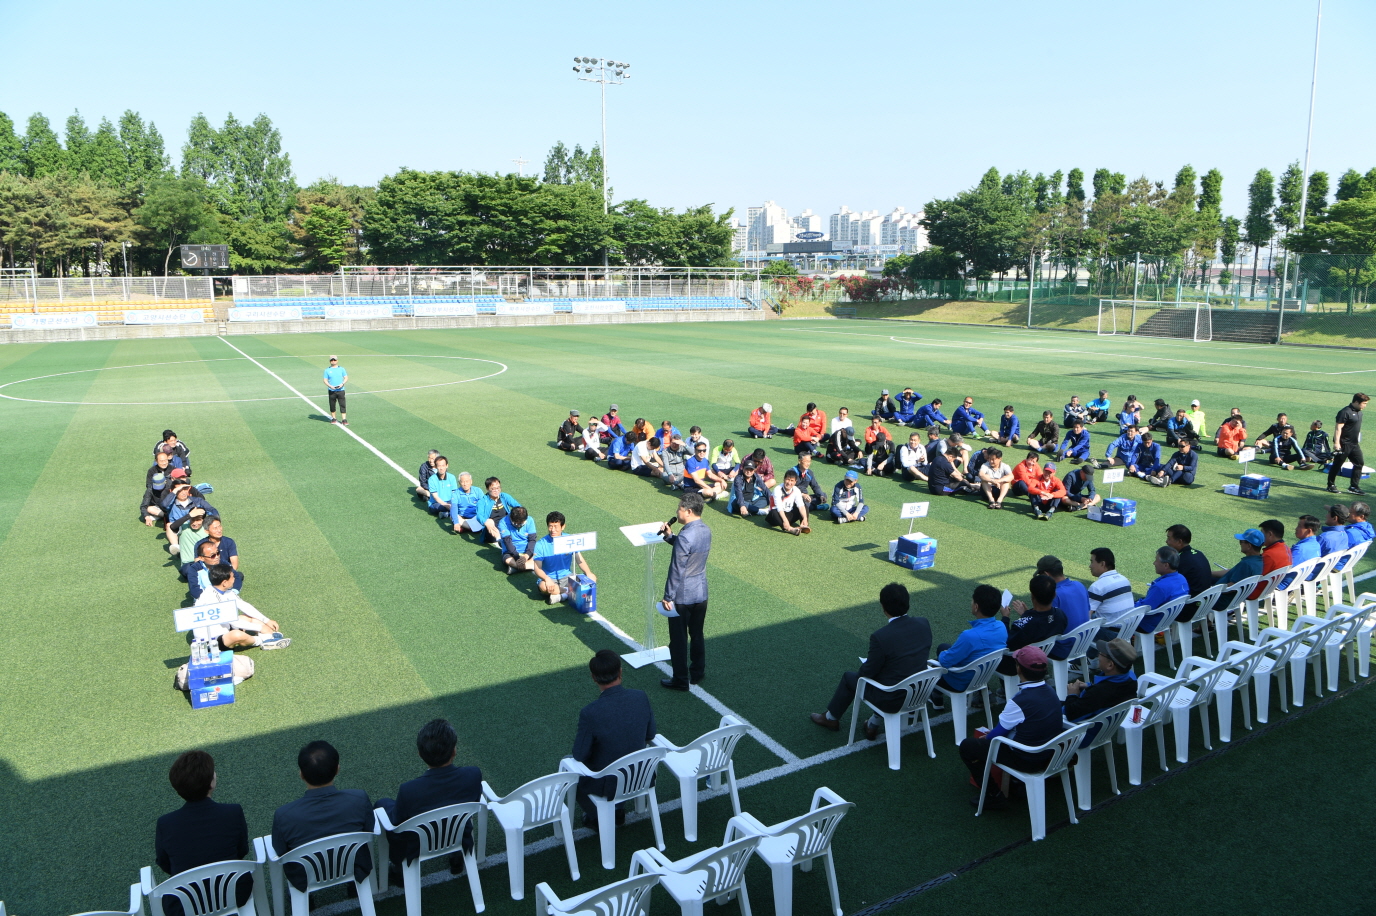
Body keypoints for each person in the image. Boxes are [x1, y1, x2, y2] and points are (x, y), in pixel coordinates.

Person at [810, 583, 932, 738]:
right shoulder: (923, 623)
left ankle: (830, 718)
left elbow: (867, 673)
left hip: (892, 698)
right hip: (920, 692)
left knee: (850, 678)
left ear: (883, 607)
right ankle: (873, 723)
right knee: (893, 673)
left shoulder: (881, 637)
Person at [958, 646, 1060, 810]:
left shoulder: (1019, 701)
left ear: (1019, 669)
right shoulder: (1050, 691)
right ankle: (1015, 782)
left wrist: (988, 738)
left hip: (1027, 759)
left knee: (968, 747)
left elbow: (998, 733)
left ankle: (993, 795)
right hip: (1051, 755)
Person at [376, 720, 481, 880]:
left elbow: (396, 822)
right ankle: (457, 855)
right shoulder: (473, 775)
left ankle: (399, 869)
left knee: (382, 805)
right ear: (454, 751)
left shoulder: (409, 790)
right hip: (458, 835)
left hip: (417, 845)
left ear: (420, 754)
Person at [155, 751, 251, 916]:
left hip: (183, 906)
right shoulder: (233, 812)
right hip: (234, 893)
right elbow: (241, 850)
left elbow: (164, 863)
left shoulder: (166, 823)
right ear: (211, 783)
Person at [568, 650, 656, 828]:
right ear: (620, 672)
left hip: (609, 786)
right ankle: (618, 810)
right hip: (641, 775)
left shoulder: (590, 712)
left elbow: (579, 755)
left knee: (568, 767)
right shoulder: (640, 696)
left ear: (594, 678)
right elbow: (650, 735)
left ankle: (598, 816)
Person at [270, 741, 373, 891]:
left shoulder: (284, 815)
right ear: (337, 769)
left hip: (304, 877)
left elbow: (280, 850)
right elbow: (368, 830)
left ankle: (307, 900)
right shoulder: (359, 799)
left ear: (301, 774)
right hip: (354, 866)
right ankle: (354, 887)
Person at [659, 493, 711, 690]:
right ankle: (698, 672)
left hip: (682, 597)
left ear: (688, 512)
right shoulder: (705, 530)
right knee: (697, 634)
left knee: (678, 640)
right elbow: (688, 550)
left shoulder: (686, 536)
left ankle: (680, 679)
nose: (677, 511)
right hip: (701, 593)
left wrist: (667, 597)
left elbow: (677, 569)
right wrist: (671, 537)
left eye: (679, 508)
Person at [934, 585, 1008, 697]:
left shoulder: (969, 636)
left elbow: (945, 661)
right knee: (944, 647)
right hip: (982, 677)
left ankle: (936, 697)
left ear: (976, 607)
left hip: (961, 682)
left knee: (938, 657)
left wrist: (941, 655)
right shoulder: (1001, 626)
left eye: (972, 601)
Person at [196, 565, 291, 650]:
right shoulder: (210, 597)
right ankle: (262, 640)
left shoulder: (226, 591)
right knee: (236, 635)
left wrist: (266, 620)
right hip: (211, 641)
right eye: (232, 577)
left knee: (249, 618)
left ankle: (268, 637)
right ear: (224, 583)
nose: (234, 579)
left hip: (226, 628)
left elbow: (245, 606)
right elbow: (233, 621)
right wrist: (260, 628)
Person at [997, 576, 1069, 675]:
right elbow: (1042, 623)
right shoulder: (1060, 615)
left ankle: (1005, 688)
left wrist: (1005, 618)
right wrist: (1026, 614)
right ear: (1054, 595)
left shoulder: (1023, 625)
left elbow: (1007, 643)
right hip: (1042, 656)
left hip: (1017, 664)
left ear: (1032, 596)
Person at [1063, 638, 1139, 723]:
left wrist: (1072, 694)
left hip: (1087, 731)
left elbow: (1071, 714)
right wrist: (1089, 686)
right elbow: (1109, 691)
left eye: (1102, 654)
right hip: (1108, 724)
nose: (1098, 655)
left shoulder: (1098, 693)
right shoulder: (1132, 677)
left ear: (1110, 665)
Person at [534, 511, 595, 604]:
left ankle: (563, 595)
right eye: (550, 526)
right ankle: (570, 591)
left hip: (567, 577)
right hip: (550, 579)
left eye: (556, 526)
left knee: (592, 579)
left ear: (563, 526)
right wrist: (547, 579)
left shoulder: (570, 539)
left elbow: (579, 559)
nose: (552, 530)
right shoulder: (540, 544)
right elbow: (537, 568)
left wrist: (588, 572)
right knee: (543, 587)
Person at [1036, 555, 1090, 657]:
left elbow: (1046, 627)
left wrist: (1026, 615)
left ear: (1046, 574)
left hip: (1064, 648)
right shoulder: (1080, 585)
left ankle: (1037, 670)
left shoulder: (1054, 595)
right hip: (1084, 643)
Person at [1138, 546, 1189, 633]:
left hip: (1147, 624)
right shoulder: (1182, 579)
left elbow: (1143, 608)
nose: (1154, 563)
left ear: (1166, 565)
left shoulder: (1160, 587)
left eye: (1156, 560)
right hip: (1164, 622)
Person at [1087, 547, 1136, 637]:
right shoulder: (1124, 580)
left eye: (1092, 562)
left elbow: (1087, 615)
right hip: (1128, 630)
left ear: (1102, 564)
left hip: (1111, 633)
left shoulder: (1097, 586)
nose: (1090, 566)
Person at [1327, 393, 1369, 495]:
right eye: (1364, 403)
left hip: (1354, 444)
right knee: (1337, 465)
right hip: (1344, 444)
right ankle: (1330, 485)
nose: (1365, 405)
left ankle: (1353, 486)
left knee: (1359, 463)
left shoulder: (1359, 412)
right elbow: (1338, 428)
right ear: (1356, 402)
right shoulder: (1345, 412)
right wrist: (1337, 443)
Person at [1211, 529, 1266, 598]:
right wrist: (1211, 573)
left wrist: (1211, 590)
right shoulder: (1259, 560)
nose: (1240, 543)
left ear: (1249, 546)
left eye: (1241, 541)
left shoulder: (1246, 564)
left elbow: (1231, 587)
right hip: (1234, 600)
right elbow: (1232, 572)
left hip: (1219, 600)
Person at [1165, 525, 1212, 599]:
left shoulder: (1180, 560)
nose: (1166, 541)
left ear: (1179, 542)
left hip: (1190, 605)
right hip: (1203, 601)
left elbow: (1170, 585)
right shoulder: (1199, 553)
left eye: (1169, 538)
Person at [476, 477, 521, 544]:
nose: (496, 490)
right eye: (493, 489)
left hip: (506, 524)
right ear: (487, 489)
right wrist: (486, 522)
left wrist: (515, 516)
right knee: (490, 521)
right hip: (493, 527)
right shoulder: (482, 501)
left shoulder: (504, 496)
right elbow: (479, 516)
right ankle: (499, 539)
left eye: (498, 488)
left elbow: (518, 506)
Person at [768, 470, 811, 535]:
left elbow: (801, 506)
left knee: (804, 506)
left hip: (788, 514)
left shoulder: (796, 490)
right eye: (788, 479)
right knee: (774, 512)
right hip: (776, 517)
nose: (789, 483)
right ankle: (790, 529)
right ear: (784, 479)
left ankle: (804, 525)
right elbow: (779, 508)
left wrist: (805, 518)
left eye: (792, 481)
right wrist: (785, 521)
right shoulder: (777, 489)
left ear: (795, 482)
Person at [140, 450, 178, 524]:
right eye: (161, 461)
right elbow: (144, 505)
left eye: (165, 460)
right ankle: (165, 515)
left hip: (170, 502)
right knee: (150, 509)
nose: (164, 463)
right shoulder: (151, 472)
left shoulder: (173, 470)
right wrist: (146, 517)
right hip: (157, 503)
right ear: (156, 461)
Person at [499, 506, 539, 574]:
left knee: (541, 554)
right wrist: (517, 557)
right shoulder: (503, 522)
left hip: (527, 550)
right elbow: (508, 542)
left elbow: (532, 540)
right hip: (511, 552)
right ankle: (532, 566)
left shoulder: (530, 520)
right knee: (508, 560)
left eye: (522, 523)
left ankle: (515, 568)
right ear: (511, 518)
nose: (519, 526)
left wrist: (526, 555)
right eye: (517, 523)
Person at [323, 356, 348, 426]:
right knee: (332, 405)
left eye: (334, 360)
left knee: (342, 404)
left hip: (341, 390)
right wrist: (330, 386)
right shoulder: (327, 370)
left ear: (337, 360)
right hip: (332, 390)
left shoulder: (342, 369)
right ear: (330, 361)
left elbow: (346, 377)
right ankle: (334, 418)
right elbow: (325, 380)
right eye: (332, 360)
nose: (333, 361)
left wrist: (342, 384)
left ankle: (344, 419)